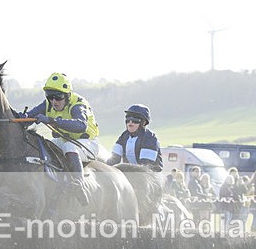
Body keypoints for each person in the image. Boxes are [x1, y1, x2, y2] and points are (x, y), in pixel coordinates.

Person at [25, 72, 99, 206]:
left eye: (58, 97)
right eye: (50, 97)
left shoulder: (78, 104)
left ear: (67, 95)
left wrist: (52, 121)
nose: (54, 101)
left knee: (69, 147)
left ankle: (80, 185)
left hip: (87, 144)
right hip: (66, 141)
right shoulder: (48, 104)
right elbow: (27, 116)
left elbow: (81, 126)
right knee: (44, 144)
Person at [106, 104, 163, 171]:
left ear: (144, 123)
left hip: (150, 174)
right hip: (130, 173)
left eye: (135, 120)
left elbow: (144, 166)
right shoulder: (124, 136)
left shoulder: (150, 138)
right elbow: (114, 159)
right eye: (128, 119)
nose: (130, 122)